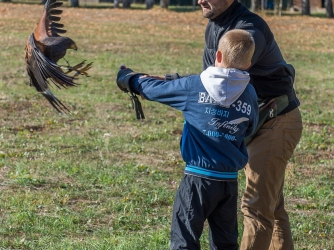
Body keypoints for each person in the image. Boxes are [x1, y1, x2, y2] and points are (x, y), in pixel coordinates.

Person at [116, 29, 258, 250]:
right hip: (229, 183)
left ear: (217, 56)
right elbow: (250, 127)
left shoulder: (194, 86)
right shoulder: (249, 94)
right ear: (248, 65)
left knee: (184, 241)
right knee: (225, 244)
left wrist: (129, 79)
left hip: (197, 181)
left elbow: (155, 90)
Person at [196, 0, 303, 249]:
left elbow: (223, 83)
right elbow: (208, 85)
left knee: (256, 208)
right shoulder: (215, 26)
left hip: (274, 123)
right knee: (272, 207)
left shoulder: (249, 30)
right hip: (253, 124)